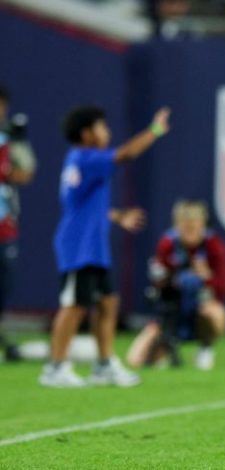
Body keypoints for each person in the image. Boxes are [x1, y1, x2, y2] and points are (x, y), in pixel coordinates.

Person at [38, 106, 171, 387]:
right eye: (102, 127)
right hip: (78, 248)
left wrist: (118, 216)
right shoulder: (86, 158)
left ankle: (104, 365)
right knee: (74, 306)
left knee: (108, 303)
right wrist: (155, 130)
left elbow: (83, 205)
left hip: (94, 248)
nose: (107, 132)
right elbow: (126, 154)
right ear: (86, 133)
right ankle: (56, 367)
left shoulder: (80, 160)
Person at [126, 200, 225, 371]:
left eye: (194, 225)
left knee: (216, 315)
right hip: (172, 311)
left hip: (199, 310)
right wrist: (170, 279)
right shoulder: (168, 244)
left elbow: (224, 289)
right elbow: (157, 285)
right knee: (135, 359)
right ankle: (165, 350)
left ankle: (205, 348)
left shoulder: (214, 245)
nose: (189, 230)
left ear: (202, 225)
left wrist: (206, 277)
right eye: (185, 225)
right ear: (177, 225)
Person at [0, 84, 36, 362]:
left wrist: (20, 144)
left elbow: (25, 175)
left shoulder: (8, 138)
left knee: (3, 287)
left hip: (4, 225)